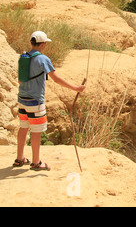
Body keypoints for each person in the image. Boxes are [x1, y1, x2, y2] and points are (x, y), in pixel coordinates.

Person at [13, 31, 85, 171]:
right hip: (35, 102)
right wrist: (76, 88)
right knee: (36, 131)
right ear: (44, 44)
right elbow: (56, 79)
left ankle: (19, 158)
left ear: (31, 42)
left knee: (23, 127)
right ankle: (36, 162)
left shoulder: (23, 57)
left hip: (22, 99)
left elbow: (20, 80)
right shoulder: (43, 59)